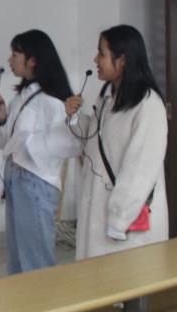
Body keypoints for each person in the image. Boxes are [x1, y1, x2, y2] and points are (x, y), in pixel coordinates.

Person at [61, 25, 169, 260]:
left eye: (101, 53)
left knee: (127, 279)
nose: (95, 59)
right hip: (100, 214)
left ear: (122, 61)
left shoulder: (148, 105)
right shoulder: (107, 97)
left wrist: (118, 220)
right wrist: (75, 118)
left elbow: (140, 170)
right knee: (99, 277)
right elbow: (93, 140)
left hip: (127, 224)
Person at [0, 29, 75, 276]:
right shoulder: (22, 96)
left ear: (33, 60)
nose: (10, 60)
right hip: (16, 179)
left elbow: (69, 142)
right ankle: (22, 300)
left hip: (35, 182)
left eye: (15, 55)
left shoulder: (53, 100)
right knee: (17, 258)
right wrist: (1, 118)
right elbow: (4, 142)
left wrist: (28, 147)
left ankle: (43, 302)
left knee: (35, 260)